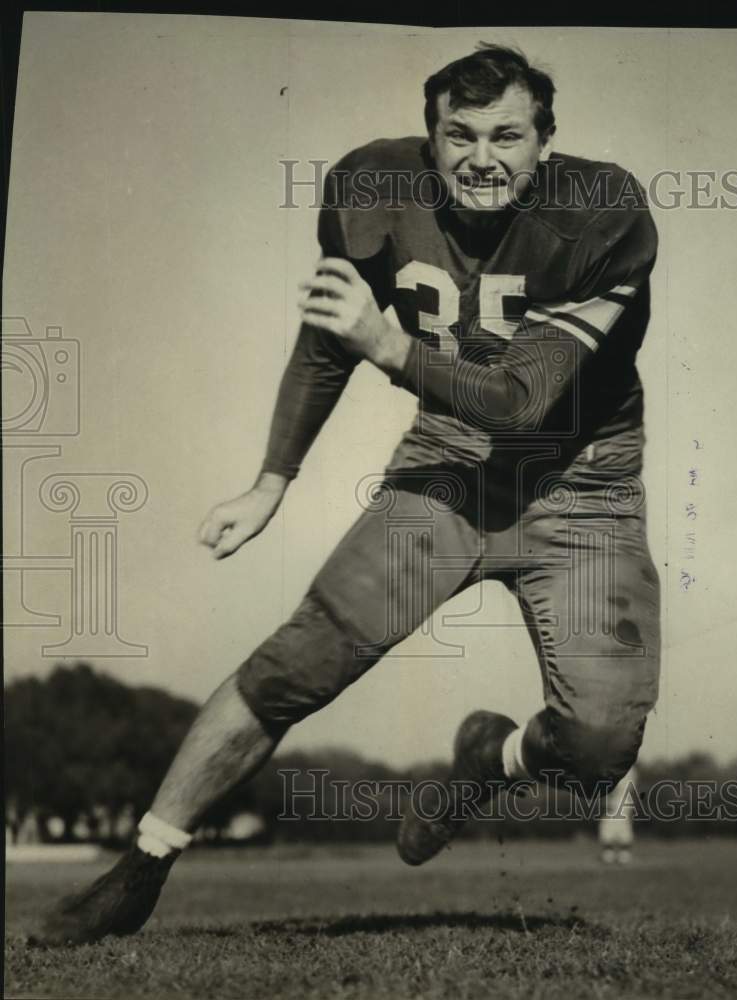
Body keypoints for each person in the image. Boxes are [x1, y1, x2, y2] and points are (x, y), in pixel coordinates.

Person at [34, 43, 661, 946]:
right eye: (459, 135)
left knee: (599, 747)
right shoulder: (372, 187)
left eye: (506, 136)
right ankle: (140, 866)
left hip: (581, 486)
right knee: (299, 663)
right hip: (447, 470)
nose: (481, 157)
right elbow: (331, 339)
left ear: (544, 143)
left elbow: (524, 401)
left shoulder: (603, 215)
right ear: (430, 137)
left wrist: (396, 350)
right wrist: (270, 480)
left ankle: (487, 761)